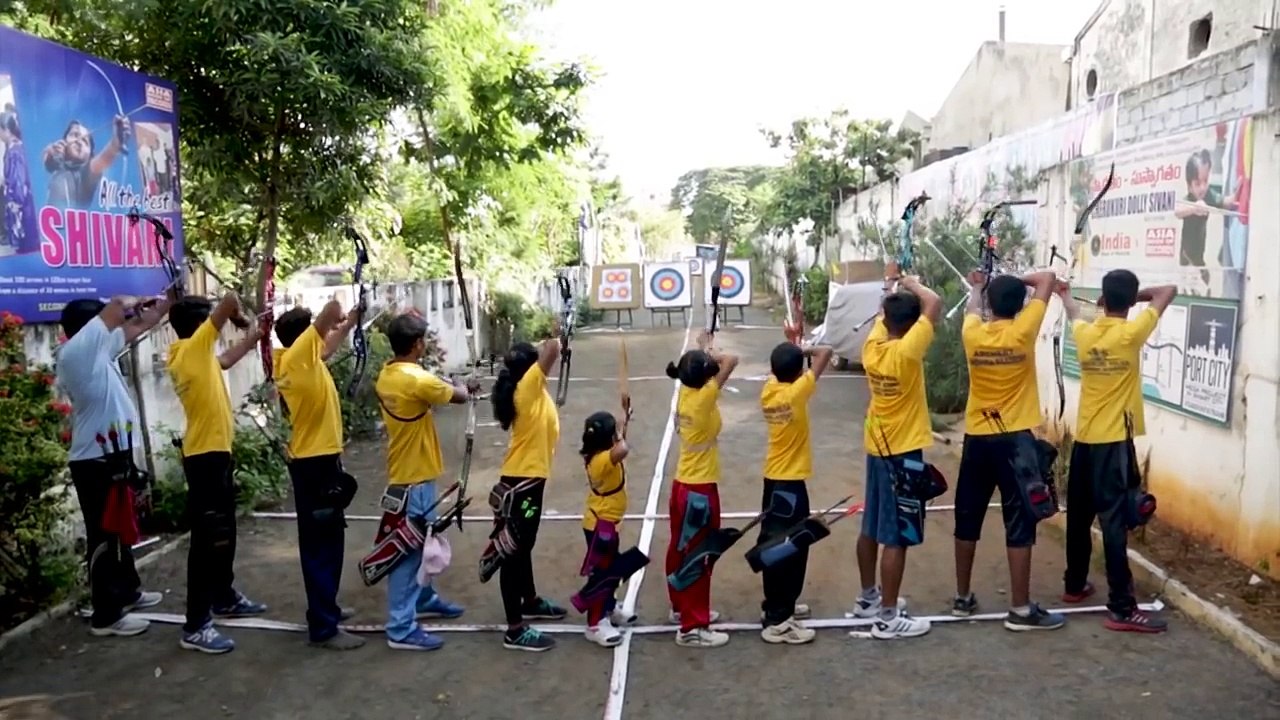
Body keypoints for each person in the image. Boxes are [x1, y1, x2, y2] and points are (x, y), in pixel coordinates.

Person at [1060, 271, 1176, 632]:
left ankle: (1074, 585)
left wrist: (1103, 300)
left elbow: (1069, 308)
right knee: (1114, 523)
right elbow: (1167, 290)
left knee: (1079, 517)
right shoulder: (1130, 333)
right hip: (1112, 444)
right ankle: (1122, 608)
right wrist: (1132, 299)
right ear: (1127, 302)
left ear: (1103, 299)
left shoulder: (1084, 332)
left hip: (1084, 440)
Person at [952, 268, 1064, 631]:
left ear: (989, 304)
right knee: (1019, 521)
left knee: (967, 517)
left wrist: (981, 285)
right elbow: (1047, 279)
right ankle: (1019, 609)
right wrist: (1013, 277)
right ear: (1020, 305)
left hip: (977, 437)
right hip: (1015, 441)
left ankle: (962, 597)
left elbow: (972, 304)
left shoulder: (972, 333)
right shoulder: (1023, 330)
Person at [56, 294, 172, 637]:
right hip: (94, 460)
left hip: (111, 455)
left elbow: (138, 325)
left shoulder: (97, 352)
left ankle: (127, 592)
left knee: (121, 528)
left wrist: (162, 307)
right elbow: (120, 307)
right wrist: (137, 302)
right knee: (104, 536)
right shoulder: (76, 353)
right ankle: (106, 616)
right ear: (89, 327)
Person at [165, 293, 268, 653]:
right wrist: (237, 317)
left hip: (215, 455)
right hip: (204, 458)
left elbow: (223, 361)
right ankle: (196, 625)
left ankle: (223, 596)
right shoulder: (191, 350)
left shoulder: (193, 355)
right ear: (199, 326)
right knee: (206, 542)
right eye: (209, 322)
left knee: (224, 533)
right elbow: (230, 300)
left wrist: (251, 339)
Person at [373, 312, 473, 652]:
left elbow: (429, 384)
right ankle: (401, 627)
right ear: (416, 345)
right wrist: (465, 386)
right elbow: (457, 396)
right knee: (409, 553)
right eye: (423, 340)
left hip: (409, 474)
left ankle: (424, 598)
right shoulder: (417, 381)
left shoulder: (388, 374)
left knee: (425, 542)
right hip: (412, 482)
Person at [855, 263, 939, 639]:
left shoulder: (873, 344)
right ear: (911, 324)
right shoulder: (907, 351)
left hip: (877, 446)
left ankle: (868, 599)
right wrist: (912, 283)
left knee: (871, 524)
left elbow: (883, 311)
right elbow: (934, 302)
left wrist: (892, 282)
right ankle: (888, 617)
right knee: (897, 535)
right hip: (902, 452)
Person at [275, 299, 364, 650]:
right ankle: (323, 627)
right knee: (320, 546)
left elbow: (327, 345)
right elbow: (331, 309)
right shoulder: (297, 359)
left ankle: (327, 609)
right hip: (313, 466)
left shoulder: (305, 359)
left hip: (321, 461)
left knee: (330, 539)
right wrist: (339, 313)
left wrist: (351, 321)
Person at [488, 336, 568, 652]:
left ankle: (529, 599)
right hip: (523, 486)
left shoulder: (530, 388)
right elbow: (553, 349)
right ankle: (515, 629)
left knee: (524, 545)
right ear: (529, 368)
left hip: (528, 482)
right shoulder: (527, 388)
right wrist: (556, 334)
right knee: (512, 552)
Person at [664, 330, 738, 648]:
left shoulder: (684, 391)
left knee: (680, 549)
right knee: (700, 555)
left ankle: (680, 606)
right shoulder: (704, 396)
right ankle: (692, 626)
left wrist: (702, 350)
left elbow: (695, 367)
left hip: (682, 485)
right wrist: (712, 352)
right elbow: (731, 360)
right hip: (699, 491)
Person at [756, 341, 833, 644]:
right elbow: (826, 353)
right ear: (798, 371)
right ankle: (779, 620)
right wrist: (806, 348)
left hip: (774, 480)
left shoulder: (770, 390)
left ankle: (778, 606)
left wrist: (797, 349)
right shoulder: (796, 392)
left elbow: (785, 366)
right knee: (790, 549)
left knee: (777, 544)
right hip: (789, 485)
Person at [578, 405, 633, 647]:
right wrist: (620, 434)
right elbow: (623, 448)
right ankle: (595, 623)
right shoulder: (601, 461)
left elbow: (619, 445)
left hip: (607, 523)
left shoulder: (599, 453)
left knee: (612, 569)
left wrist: (624, 420)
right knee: (603, 574)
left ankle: (609, 607)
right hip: (600, 526)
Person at [42, 117, 129, 209]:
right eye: (75, 135)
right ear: (64, 141)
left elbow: (100, 162)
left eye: (85, 141)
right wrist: (52, 154)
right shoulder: (58, 166)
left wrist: (116, 143)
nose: (79, 141)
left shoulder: (85, 176)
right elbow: (49, 161)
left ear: (90, 156)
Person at [0, 107, 38, 255]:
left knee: (25, 247)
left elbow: (19, 182)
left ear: (6, 130)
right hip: (25, 205)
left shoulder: (14, 151)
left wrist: (15, 204)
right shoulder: (18, 147)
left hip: (21, 208)